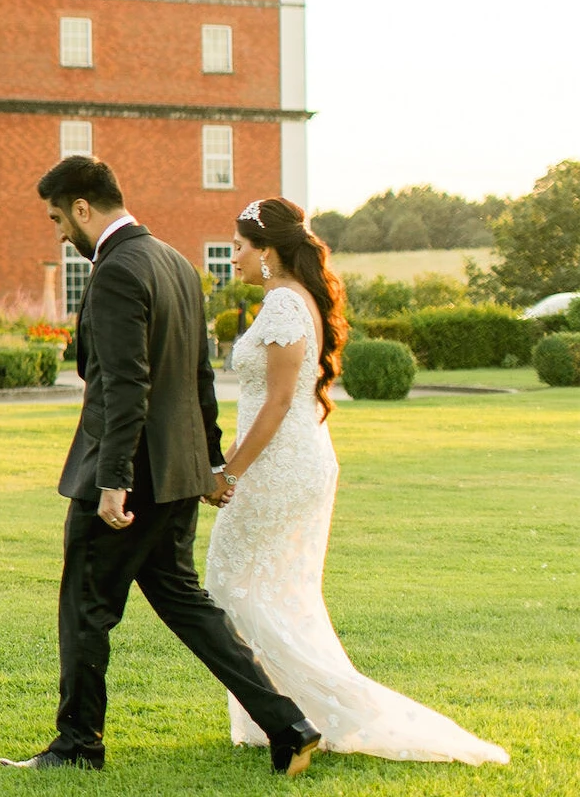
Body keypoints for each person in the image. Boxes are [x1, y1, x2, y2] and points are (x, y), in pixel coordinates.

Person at [0, 156, 322, 774]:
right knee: (183, 602)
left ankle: (77, 747)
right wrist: (205, 459)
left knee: (85, 603)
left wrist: (114, 480)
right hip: (175, 471)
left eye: (58, 218)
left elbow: (126, 384)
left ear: (84, 208)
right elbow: (197, 376)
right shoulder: (174, 261)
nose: (59, 232)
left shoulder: (119, 269)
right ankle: (289, 724)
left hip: (130, 473)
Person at [203, 197, 508, 764]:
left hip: (282, 466)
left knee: (229, 584)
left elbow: (274, 404)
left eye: (240, 247)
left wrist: (230, 472)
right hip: (288, 459)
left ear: (267, 251)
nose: (234, 257)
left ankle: (334, 709)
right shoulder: (287, 302)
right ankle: (282, 716)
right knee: (266, 590)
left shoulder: (284, 307)